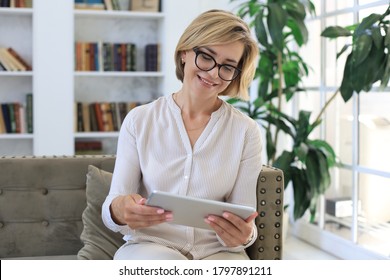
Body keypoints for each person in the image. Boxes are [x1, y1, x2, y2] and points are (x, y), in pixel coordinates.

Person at [102, 9, 262, 260]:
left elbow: (245, 217)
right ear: (185, 52)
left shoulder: (246, 131)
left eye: (227, 67)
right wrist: (120, 210)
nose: (213, 73)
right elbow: (113, 209)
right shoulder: (140, 120)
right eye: (207, 57)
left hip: (219, 252)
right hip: (150, 246)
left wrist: (245, 235)